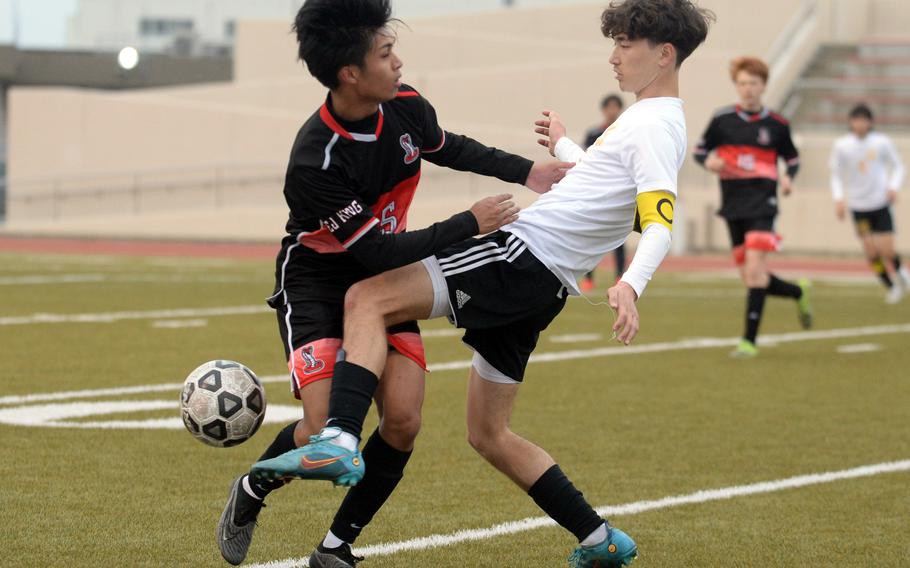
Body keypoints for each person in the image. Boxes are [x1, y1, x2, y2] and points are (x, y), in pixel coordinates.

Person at [252, 1, 714, 566]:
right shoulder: (651, 119)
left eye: (625, 45)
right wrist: (563, 149)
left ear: (664, 54)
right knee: (488, 433)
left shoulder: (653, 126)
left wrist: (633, 283)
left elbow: (660, 219)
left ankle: (340, 440)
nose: (613, 57)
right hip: (546, 288)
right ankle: (599, 540)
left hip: (519, 256)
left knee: (366, 297)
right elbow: (603, 178)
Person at [215, 1, 571, 566]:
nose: (399, 62)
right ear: (350, 74)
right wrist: (466, 225)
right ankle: (253, 488)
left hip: (380, 280)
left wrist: (527, 171)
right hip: (318, 283)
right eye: (385, 53)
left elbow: (446, 145)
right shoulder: (316, 160)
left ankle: (336, 548)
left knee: (403, 422)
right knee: (319, 423)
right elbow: (375, 248)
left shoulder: (403, 104)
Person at [694, 56, 812, 358]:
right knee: (751, 276)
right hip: (733, 206)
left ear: (763, 86)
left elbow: (794, 159)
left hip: (764, 206)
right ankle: (798, 291)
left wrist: (788, 178)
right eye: (743, 83)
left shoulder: (777, 125)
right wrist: (710, 161)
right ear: (737, 86)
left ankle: (748, 341)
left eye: (754, 83)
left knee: (756, 271)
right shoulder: (722, 120)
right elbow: (700, 150)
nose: (748, 89)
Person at [830, 103, 908, 303]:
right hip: (858, 206)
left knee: (887, 250)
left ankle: (902, 276)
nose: (860, 124)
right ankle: (891, 286)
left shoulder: (881, 142)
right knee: (872, 253)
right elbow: (836, 175)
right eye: (856, 120)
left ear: (870, 122)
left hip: (880, 204)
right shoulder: (842, 146)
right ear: (850, 122)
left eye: (864, 120)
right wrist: (839, 199)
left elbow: (899, 166)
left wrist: (893, 186)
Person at [580, 94, 627, 292]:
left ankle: (619, 277)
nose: (612, 111)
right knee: (591, 234)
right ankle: (588, 277)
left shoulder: (626, 130)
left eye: (616, 107)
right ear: (603, 109)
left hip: (618, 191)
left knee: (619, 236)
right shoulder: (594, 133)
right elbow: (585, 158)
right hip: (596, 190)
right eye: (609, 107)